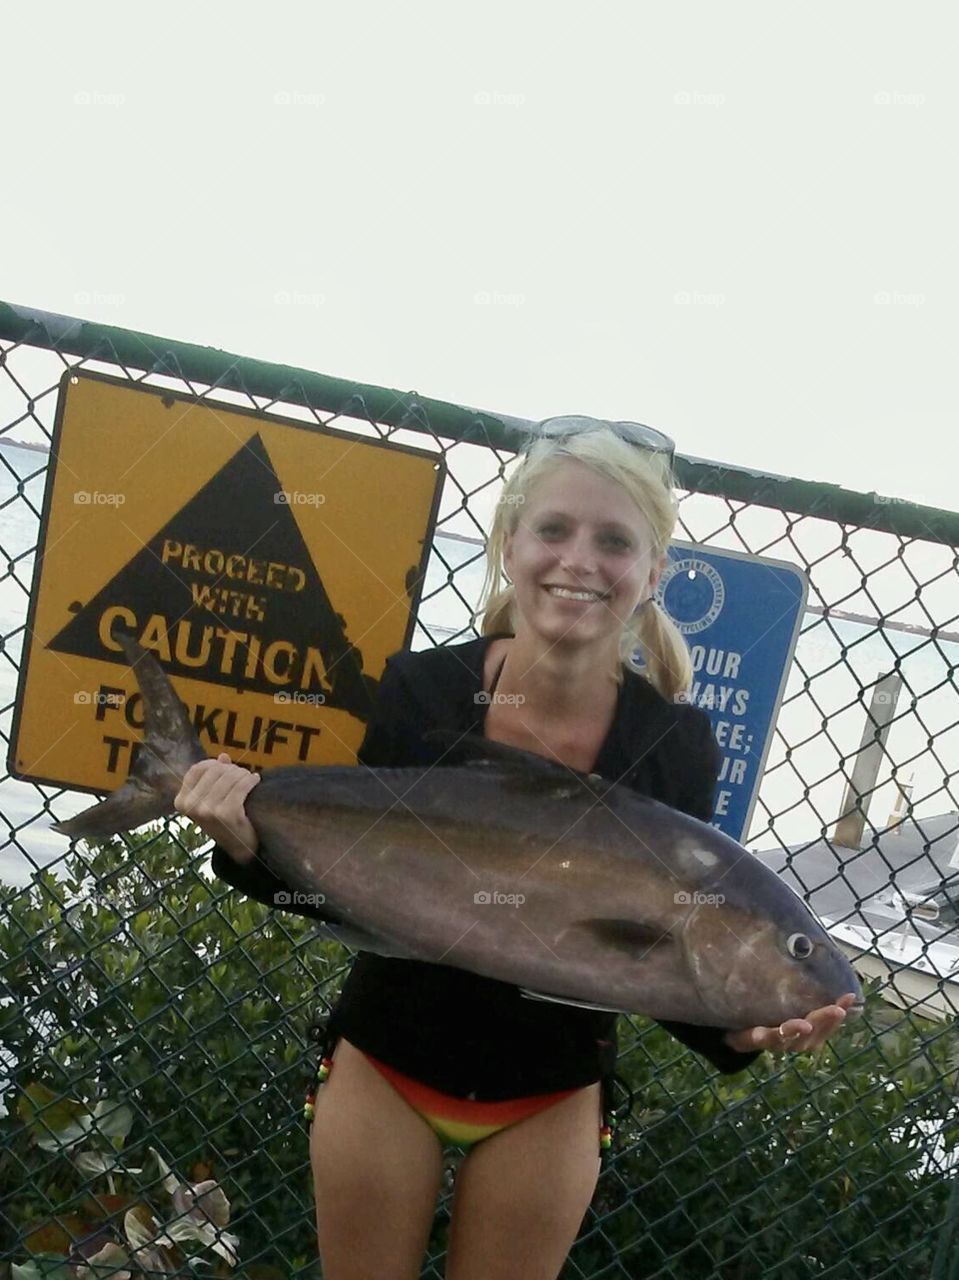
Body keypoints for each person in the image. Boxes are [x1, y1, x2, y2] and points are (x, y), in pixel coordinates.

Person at [174, 416, 857, 1280]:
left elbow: (663, 957)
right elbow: (347, 893)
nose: (579, 560)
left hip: (550, 1095)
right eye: (554, 529)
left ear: (653, 573)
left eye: (614, 541)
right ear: (509, 544)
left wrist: (744, 1030)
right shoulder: (423, 691)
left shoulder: (673, 744)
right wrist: (243, 841)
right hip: (386, 1060)